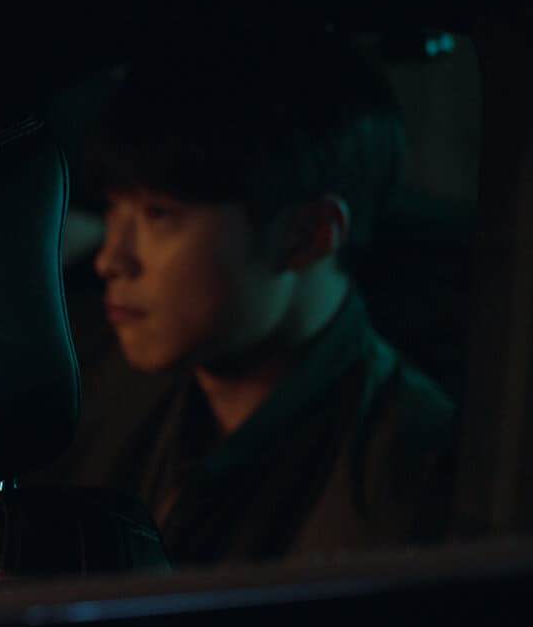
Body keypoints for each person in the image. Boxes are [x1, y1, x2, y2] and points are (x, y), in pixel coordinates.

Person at [44, 32, 456, 565]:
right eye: (113, 209)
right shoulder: (85, 383)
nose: (111, 259)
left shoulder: (413, 470)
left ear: (308, 235)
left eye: (158, 215)